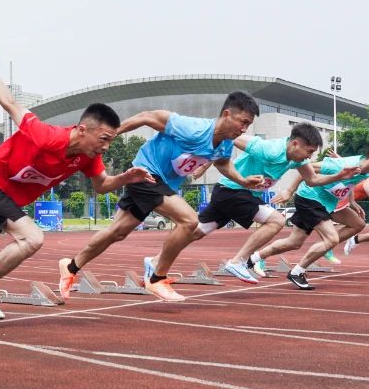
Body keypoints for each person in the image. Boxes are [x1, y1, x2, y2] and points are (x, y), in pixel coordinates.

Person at [0, 53, 151, 320]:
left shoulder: (88, 157)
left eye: (110, 141)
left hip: (5, 197)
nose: (106, 147)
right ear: (83, 130)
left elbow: (102, 185)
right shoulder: (45, 136)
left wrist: (126, 177)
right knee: (32, 238)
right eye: (104, 139)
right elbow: (9, 102)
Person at [55, 92, 264, 303]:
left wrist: (243, 181)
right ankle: (157, 277)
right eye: (243, 122)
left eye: (248, 124)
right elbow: (147, 116)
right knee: (189, 221)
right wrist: (111, 135)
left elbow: (222, 164)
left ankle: (70, 266)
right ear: (227, 114)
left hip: (161, 183)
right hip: (146, 173)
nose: (244, 129)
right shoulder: (193, 128)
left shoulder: (225, 143)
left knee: (116, 232)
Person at [248, 141, 369, 290]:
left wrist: (352, 202)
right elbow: (305, 168)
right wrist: (289, 190)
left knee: (296, 242)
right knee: (332, 238)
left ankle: (253, 258)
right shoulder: (341, 165)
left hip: (327, 204)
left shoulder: (365, 171)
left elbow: (349, 183)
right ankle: (297, 271)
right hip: (310, 198)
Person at [206, 123, 361, 284]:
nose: (309, 157)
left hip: (247, 193)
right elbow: (228, 135)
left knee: (196, 229)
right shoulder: (270, 149)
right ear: (295, 144)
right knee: (277, 221)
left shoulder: (297, 160)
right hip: (231, 189)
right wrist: (207, 161)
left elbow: (312, 180)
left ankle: (250, 259)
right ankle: (239, 261)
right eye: (309, 151)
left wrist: (339, 176)